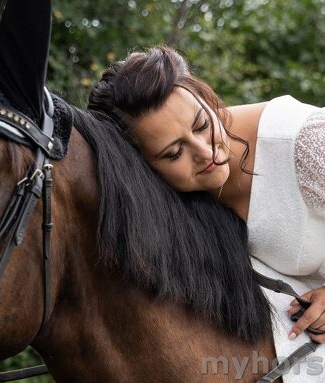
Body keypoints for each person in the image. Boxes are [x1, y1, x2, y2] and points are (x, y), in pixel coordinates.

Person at [87, 46, 325, 344]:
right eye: (174, 153)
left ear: (208, 99)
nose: (204, 151)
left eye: (201, 124)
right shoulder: (170, 200)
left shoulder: (308, 144)